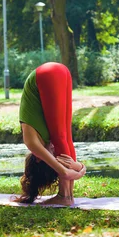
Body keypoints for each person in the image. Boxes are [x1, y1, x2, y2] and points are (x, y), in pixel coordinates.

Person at [16, 62, 86, 206]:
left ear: (39, 159)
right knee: (66, 137)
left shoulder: (32, 143)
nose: (55, 152)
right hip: (63, 71)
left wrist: (78, 170)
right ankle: (69, 196)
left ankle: (65, 196)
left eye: (51, 156)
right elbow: (68, 159)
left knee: (60, 137)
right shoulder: (46, 140)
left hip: (44, 75)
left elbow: (65, 172)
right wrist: (77, 166)